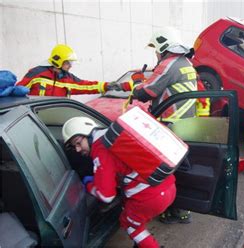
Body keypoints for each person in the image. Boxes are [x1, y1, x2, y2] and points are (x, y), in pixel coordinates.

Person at [120, 27, 196, 223]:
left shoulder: (169, 64)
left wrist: (137, 83)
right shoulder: (186, 62)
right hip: (186, 123)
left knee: (164, 169)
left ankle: (167, 208)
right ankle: (183, 209)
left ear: (164, 46)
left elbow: (147, 92)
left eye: (156, 48)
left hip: (171, 124)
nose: (155, 53)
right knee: (181, 167)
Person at [62, 117, 175, 248]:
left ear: (87, 133)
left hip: (149, 198)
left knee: (130, 224)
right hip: (167, 185)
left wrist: (88, 186)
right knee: (134, 215)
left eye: (78, 143)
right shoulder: (111, 134)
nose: (77, 150)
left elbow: (106, 196)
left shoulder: (100, 149)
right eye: (73, 146)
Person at [16, 44, 113, 97]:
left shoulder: (68, 78)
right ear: (58, 60)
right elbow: (17, 92)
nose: (70, 66)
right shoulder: (36, 74)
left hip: (57, 120)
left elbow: (86, 86)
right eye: (67, 63)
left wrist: (107, 86)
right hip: (37, 122)